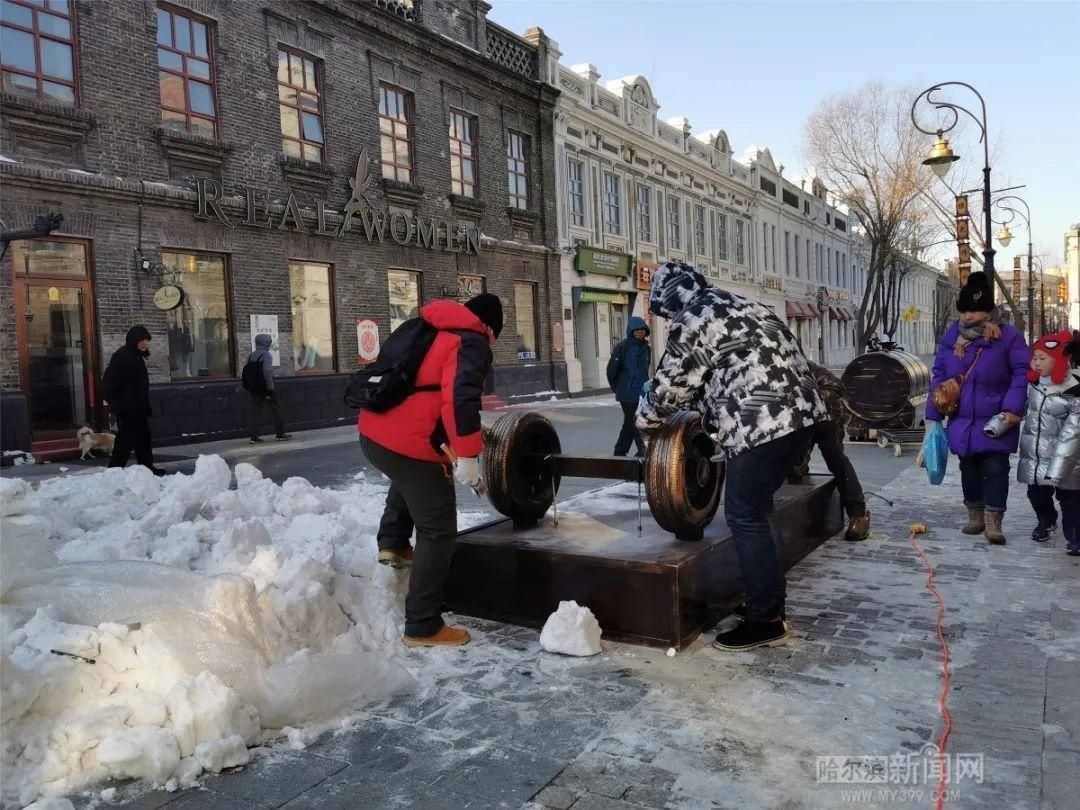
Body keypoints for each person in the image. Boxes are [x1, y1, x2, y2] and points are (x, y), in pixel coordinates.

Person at [636, 261, 826, 651]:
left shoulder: (694, 316)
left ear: (670, 299)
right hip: (804, 417)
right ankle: (767, 606)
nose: (668, 318)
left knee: (744, 514)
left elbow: (672, 386)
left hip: (764, 422)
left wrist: (643, 417)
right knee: (758, 512)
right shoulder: (740, 303)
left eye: (665, 310)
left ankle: (766, 620)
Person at [358, 293, 503, 648]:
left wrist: (461, 438)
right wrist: (468, 456)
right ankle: (422, 625)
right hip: (409, 442)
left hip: (373, 431)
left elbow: (429, 390)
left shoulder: (427, 326)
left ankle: (392, 543)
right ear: (489, 327)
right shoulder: (471, 341)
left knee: (408, 478)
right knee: (438, 531)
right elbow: (459, 398)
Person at [925, 272, 1029, 544]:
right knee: (968, 467)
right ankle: (975, 514)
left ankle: (994, 520)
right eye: (965, 310)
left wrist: (1011, 409)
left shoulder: (1007, 337)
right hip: (962, 416)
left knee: (996, 467)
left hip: (997, 417)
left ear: (988, 310)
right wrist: (933, 415)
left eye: (974, 310)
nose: (968, 316)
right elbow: (938, 375)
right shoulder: (952, 337)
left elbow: (1021, 374)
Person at [789, 362, 871, 541]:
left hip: (827, 406)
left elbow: (835, 387)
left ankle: (858, 514)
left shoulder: (794, 362)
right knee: (793, 461)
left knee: (834, 456)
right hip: (798, 413)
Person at [1016, 330, 1080, 554]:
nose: (1036, 363)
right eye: (1035, 357)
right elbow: (1022, 410)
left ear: (1062, 359)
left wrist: (1061, 466)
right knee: (1036, 494)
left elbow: (1074, 432)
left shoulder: (1074, 390)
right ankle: (1046, 520)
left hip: (1068, 458)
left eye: (1043, 358)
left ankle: (1075, 536)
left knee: (1070, 498)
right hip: (1037, 453)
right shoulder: (1033, 385)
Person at [102, 325, 166, 476]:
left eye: (147, 340)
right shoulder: (123, 356)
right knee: (125, 439)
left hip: (138, 406)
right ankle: (114, 470)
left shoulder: (136, 356)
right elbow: (111, 380)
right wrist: (111, 399)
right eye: (142, 340)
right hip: (127, 407)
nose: (145, 343)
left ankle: (146, 467)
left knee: (142, 437)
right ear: (133, 340)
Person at [606, 316, 651, 457]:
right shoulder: (622, 347)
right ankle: (642, 452)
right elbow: (612, 369)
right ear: (630, 331)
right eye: (636, 330)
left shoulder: (646, 348)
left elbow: (644, 370)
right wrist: (616, 387)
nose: (639, 332)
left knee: (630, 422)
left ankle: (620, 451)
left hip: (641, 391)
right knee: (636, 421)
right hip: (626, 392)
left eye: (642, 330)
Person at [246, 333, 291, 444]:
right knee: (276, 410)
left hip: (254, 388)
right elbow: (267, 372)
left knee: (255, 412)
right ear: (266, 343)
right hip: (265, 388)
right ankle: (280, 434)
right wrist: (270, 388)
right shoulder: (266, 355)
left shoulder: (252, 355)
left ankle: (253, 437)